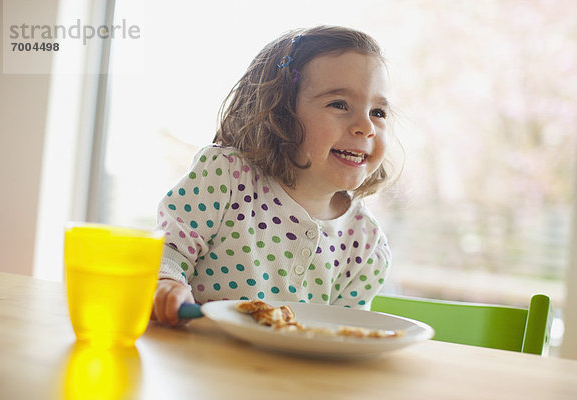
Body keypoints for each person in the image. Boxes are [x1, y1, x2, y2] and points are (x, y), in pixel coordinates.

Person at [152, 25, 396, 326]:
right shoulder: (224, 177)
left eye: (378, 112)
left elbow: (345, 333)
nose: (366, 126)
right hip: (197, 360)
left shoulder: (365, 242)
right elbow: (168, 253)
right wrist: (168, 283)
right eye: (339, 104)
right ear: (279, 113)